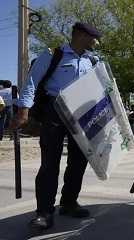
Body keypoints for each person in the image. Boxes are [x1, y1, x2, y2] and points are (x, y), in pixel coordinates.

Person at [10, 22, 102, 230]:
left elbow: (100, 87)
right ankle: (44, 212)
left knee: (79, 161)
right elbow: (32, 82)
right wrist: (23, 110)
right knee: (50, 162)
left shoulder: (93, 60)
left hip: (82, 112)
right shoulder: (53, 54)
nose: (96, 41)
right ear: (80, 35)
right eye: (93, 37)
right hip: (55, 110)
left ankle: (69, 202)